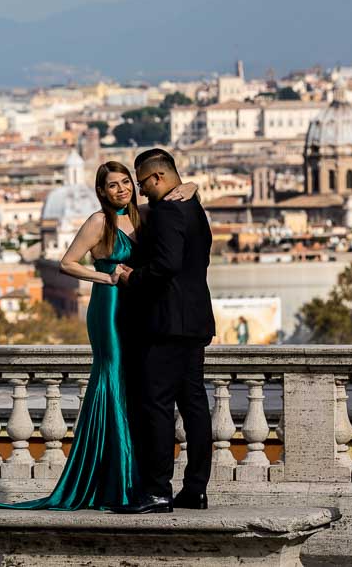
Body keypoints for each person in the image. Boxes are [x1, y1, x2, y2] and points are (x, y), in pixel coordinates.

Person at [0, 160, 195, 511]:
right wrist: (106, 277)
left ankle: (133, 477)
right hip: (110, 307)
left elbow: (183, 194)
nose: (122, 189)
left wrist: (191, 186)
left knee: (134, 385)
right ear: (101, 191)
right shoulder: (98, 221)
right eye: (113, 185)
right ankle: (116, 482)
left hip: (139, 307)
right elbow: (66, 263)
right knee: (113, 378)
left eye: (126, 182)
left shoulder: (144, 216)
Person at [112, 149, 215, 514]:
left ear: (157, 178)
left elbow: (167, 265)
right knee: (195, 406)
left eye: (142, 184)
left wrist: (131, 277)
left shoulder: (170, 210)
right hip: (195, 321)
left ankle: (157, 491)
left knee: (156, 406)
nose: (141, 192)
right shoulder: (192, 206)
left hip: (167, 324)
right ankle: (196, 489)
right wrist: (193, 187)